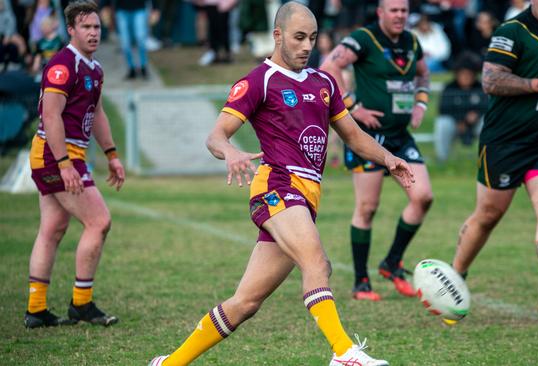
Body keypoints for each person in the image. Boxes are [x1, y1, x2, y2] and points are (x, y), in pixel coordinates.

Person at [149, 2, 413, 365]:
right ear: (278, 35)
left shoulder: (324, 82)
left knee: (245, 303)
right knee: (317, 262)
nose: (307, 46)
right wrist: (229, 152)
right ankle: (345, 355)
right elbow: (216, 135)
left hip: (306, 196)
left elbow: (352, 135)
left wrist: (388, 158)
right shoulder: (259, 81)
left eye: (313, 38)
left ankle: (169, 363)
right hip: (276, 188)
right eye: (299, 37)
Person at [450, 0, 538, 324]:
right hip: (505, 142)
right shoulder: (512, 32)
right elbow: (490, 80)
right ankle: (453, 281)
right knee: (488, 215)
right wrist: (537, 85)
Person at [320, 0, 433, 301]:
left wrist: (420, 103)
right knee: (367, 207)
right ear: (381, 12)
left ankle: (391, 262)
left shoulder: (411, 41)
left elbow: (423, 74)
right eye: (393, 10)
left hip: (400, 136)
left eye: (404, 11)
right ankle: (361, 283)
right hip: (367, 138)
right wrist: (352, 107)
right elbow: (329, 66)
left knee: (423, 197)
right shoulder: (363, 38)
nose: (399, 15)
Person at [25, 0, 125, 329]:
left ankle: (36, 309)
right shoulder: (63, 65)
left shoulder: (94, 69)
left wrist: (111, 154)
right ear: (71, 30)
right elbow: (50, 116)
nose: (94, 32)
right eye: (86, 27)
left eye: (97, 27)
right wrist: (65, 163)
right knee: (99, 221)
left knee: (52, 229)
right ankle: (81, 304)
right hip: (55, 154)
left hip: (68, 154)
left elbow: (96, 113)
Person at [434, 51, 488, 164]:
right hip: (454, 124)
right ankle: (442, 160)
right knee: (443, 123)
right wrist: (460, 120)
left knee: (487, 123)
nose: (466, 77)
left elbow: (488, 106)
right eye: (463, 74)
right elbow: (443, 109)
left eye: (469, 74)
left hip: (476, 124)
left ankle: (487, 160)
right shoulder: (449, 88)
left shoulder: (480, 88)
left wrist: (476, 115)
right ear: (457, 74)